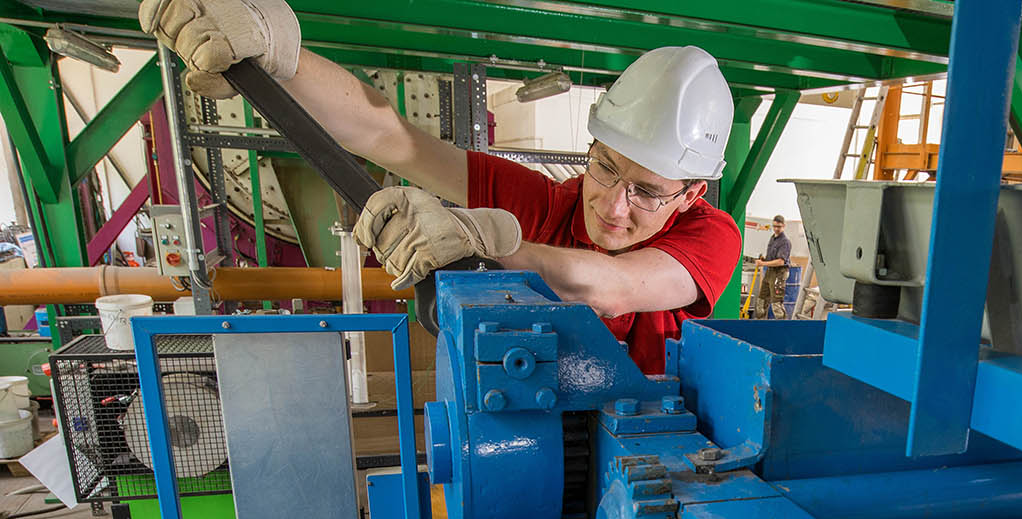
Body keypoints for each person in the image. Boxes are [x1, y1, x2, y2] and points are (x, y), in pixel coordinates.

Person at [138, 0, 742, 375]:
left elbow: (614, 286)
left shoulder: (711, 236)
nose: (612, 204)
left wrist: (483, 241)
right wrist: (279, 60)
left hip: (662, 447)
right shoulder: (540, 203)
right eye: (604, 167)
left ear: (691, 194)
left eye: (647, 192)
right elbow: (389, 136)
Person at [752, 215, 791, 319]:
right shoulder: (773, 238)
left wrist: (762, 264)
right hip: (770, 272)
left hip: (779, 273)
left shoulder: (785, 242)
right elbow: (772, 258)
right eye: (774, 226)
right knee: (761, 300)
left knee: (776, 302)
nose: (776, 229)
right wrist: (764, 259)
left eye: (779, 226)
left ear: (784, 226)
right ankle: (761, 323)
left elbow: (780, 261)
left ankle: (782, 325)